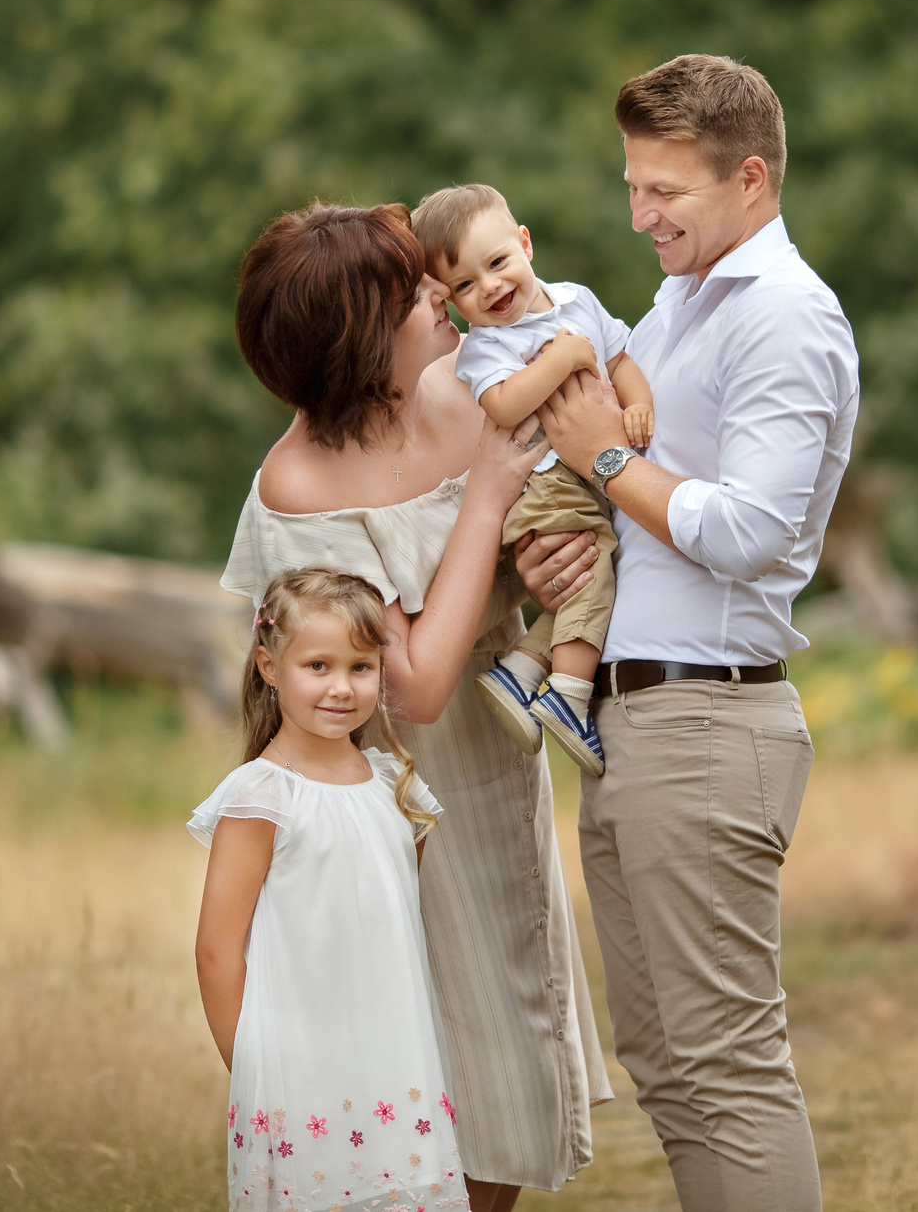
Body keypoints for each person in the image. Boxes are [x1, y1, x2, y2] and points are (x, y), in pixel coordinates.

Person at [222, 202, 613, 1212]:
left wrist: (561, 552)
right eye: (411, 294)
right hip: (386, 800)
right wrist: (486, 500)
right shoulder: (301, 484)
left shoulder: (465, 388)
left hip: (489, 773)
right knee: (415, 1074)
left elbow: (568, 502)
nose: (441, 296)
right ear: (358, 340)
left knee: (501, 1064)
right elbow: (416, 689)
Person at [535, 54, 858, 1212]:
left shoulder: (784, 316)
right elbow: (653, 510)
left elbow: (752, 532)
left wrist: (608, 466)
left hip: (711, 719)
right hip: (636, 718)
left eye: (666, 189)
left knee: (728, 1067)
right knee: (668, 1067)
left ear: (752, 178)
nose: (640, 213)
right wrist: (578, 543)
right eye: (632, 184)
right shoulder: (679, 306)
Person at [190, 567, 466, 1212]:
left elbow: (390, 923)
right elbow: (216, 953)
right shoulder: (261, 796)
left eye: (361, 668)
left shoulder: (393, 783)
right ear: (269, 664)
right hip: (299, 1073)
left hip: (396, 1062)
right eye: (318, 665)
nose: (342, 687)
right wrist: (255, 1075)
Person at [408, 182, 656, 776]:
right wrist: (564, 359)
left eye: (496, 264)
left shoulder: (577, 302)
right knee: (591, 571)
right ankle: (569, 696)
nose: (489, 287)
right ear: (453, 300)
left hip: (586, 476)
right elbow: (503, 405)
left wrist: (638, 403)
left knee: (593, 576)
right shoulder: (485, 347)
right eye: (465, 285)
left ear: (525, 244)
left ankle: (521, 673)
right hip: (544, 484)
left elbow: (620, 361)